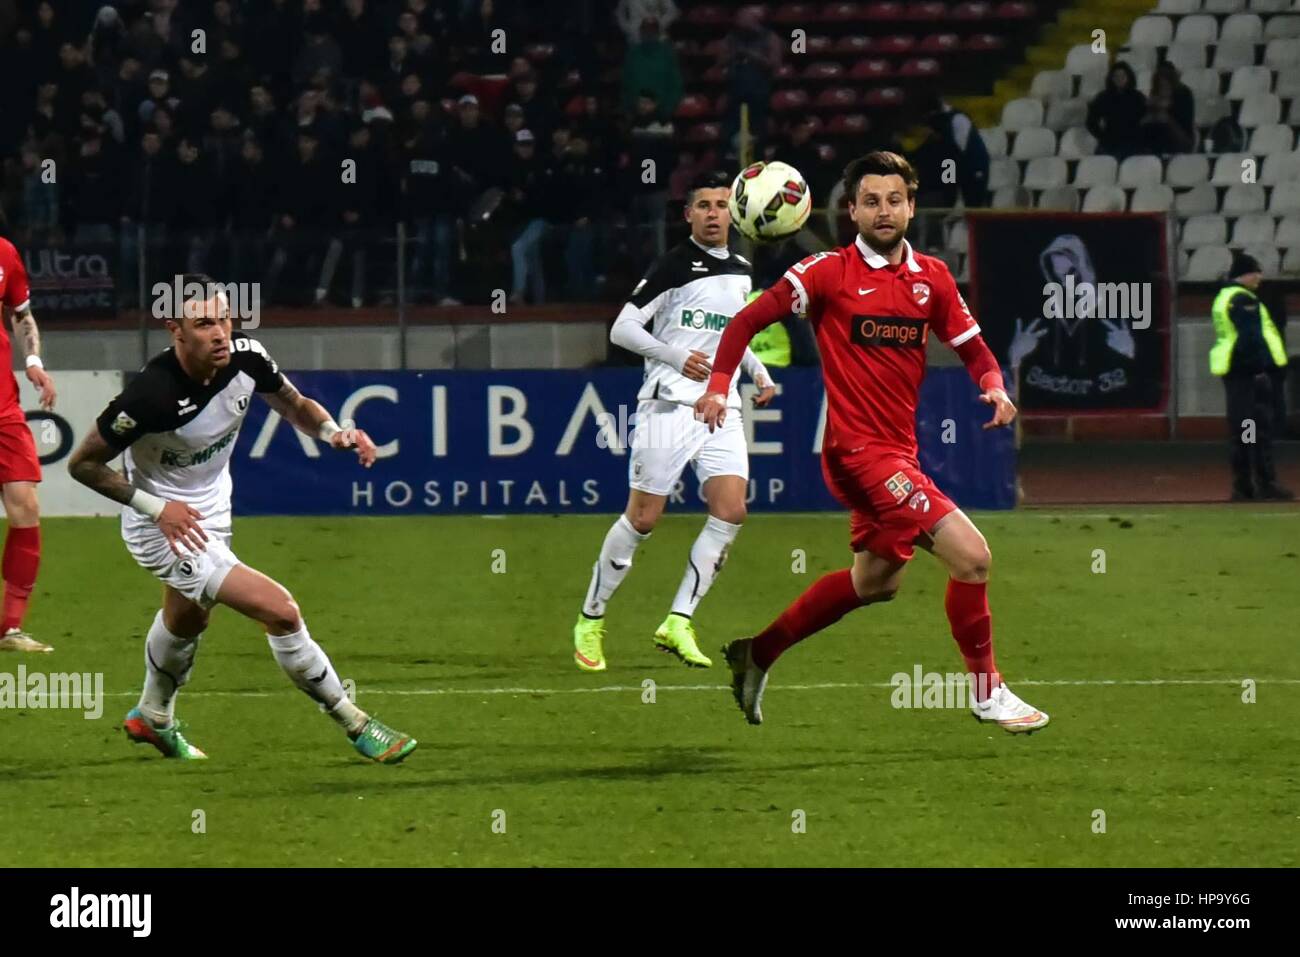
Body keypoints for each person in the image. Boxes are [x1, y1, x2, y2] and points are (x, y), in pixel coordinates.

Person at [694, 152, 1049, 733]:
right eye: (870, 201)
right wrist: (715, 387)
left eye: (894, 200)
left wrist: (993, 385)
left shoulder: (930, 277)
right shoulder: (825, 272)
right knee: (973, 557)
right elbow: (743, 324)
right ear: (851, 210)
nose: (883, 211)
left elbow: (973, 346)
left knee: (875, 582)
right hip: (859, 453)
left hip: (896, 451)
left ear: (911, 206)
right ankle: (988, 693)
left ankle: (757, 653)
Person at [67, 275, 417, 763]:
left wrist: (336, 433)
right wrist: (156, 508)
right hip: (164, 526)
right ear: (176, 330)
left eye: (225, 320)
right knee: (280, 611)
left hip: (212, 510)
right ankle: (354, 721)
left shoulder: (247, 357)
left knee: (187, 618)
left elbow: (293, 405)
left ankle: (152, 716)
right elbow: (82, 464)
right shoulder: (151, 395)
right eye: (204, 323)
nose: (219, 333)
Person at [573, 171, 776, 672]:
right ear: (688, 215)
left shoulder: (743, 268)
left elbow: (736, 332)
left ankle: (679, 620)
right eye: (703, 205)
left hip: (719, 406)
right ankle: (591, 618)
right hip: (668, 405)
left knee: (731, 510)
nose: (713, 214)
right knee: (643, 520)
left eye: (721, 205)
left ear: (734, 213)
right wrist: (673, 356)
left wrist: (758, 371)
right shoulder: (672, 266)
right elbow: (622, 329)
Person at [0, 234, 57, 653]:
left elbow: (21, 313)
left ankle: (9, 629)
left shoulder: (5, 252)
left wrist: (34, 361)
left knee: (26, 506)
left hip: (3, 408)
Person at [1210, 252, 1293, 501]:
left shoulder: (1226, 297)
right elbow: (1250, 339)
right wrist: (1258, 369)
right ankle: (1261, 482)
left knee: (1246, 429)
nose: (1260, 277)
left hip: (1237, 374)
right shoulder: (1244, 300)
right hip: (1248, 376)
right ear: (1244, 275)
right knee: (1255, 429)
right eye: (1256, 272)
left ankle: (1245, 484)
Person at [1086, 61, 1146, 160]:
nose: (1119, 79)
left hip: (1133, 143)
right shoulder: (1103, 97)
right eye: (1116, 76)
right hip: (1109, 143)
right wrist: (1103, 137)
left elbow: (1146, 118)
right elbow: (1091, 122)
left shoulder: (1138, 97)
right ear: (1111, 78)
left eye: (1123, 76)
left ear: (1129, 77)